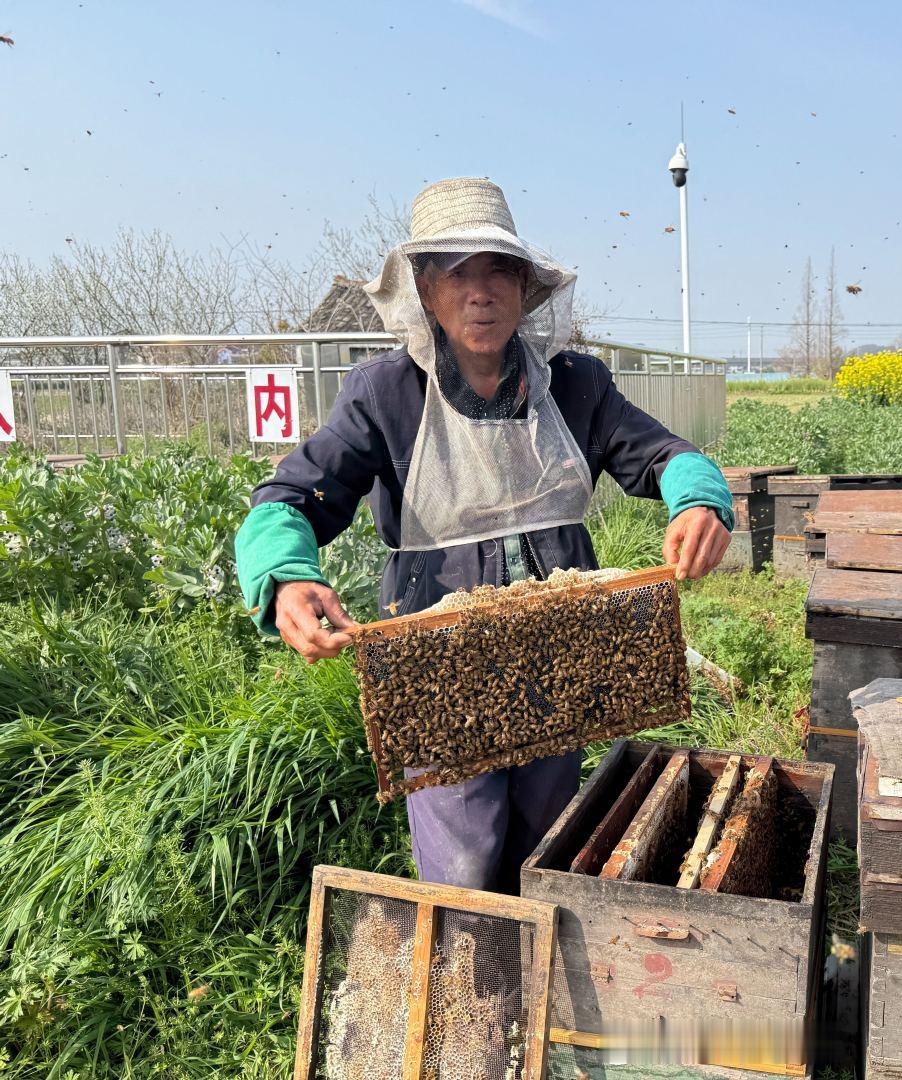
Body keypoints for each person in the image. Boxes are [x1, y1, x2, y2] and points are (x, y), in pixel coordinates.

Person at [234, 177, 732, 892]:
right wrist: (283, 573)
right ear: (426, 291)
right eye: (458, 274)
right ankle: (470, 981)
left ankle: (537, 973)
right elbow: (291, 494)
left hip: (560, 645)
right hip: (437, 655)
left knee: (549, 828)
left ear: (525, 288)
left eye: (497, 270)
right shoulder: (385, 393)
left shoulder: (576, 385)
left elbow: (663, 455)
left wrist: (697, 500)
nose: (480, 292)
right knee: (463, 853)